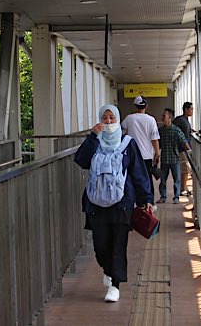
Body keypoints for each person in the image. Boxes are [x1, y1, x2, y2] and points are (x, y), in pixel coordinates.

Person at [74, 104, 153, 303]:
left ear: (118, 120)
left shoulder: (128, 144)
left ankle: (115, 285)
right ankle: (108, 269)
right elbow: (81, 160)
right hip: (96, 203)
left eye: (112, 118)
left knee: (118, 243)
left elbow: (138, 172)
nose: (108, 122)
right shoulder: (95, 143)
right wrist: (92, 136)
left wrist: (145, 200)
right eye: (105, 118)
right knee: (100, 245)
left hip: (122, 203)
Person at [121, 95, 161, 192]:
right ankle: (149, 203)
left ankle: (136, 202)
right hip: (147, 155)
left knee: (133, 178)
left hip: (132, 155)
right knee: (147, 178)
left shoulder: (129, 118)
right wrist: (157, 154)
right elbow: (154, 139)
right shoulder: (151, 120)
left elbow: (120, 132)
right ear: (146, 106)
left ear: (135, 106)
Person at [157, 108, 191, 204]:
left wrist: (189, 152)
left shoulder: (176, 130)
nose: (162, 118)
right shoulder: (161, 130)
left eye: (164, 116)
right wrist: (156, 156)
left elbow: (184, 141)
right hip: (164, 158)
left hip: (175, 158)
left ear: (170, 118)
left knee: (177, 179)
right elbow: (157, 144)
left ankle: (176, 197)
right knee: (163, 179)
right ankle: (163, 196)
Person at [173, 102, 194, 196]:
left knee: (184, 169)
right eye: (191, 109)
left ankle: (182, 188)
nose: (192, 111)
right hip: (182, 149)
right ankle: (182, 189)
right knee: (185, 169)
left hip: (183, 148)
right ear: (186, 109)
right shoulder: (182, 120)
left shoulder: (182, 120)